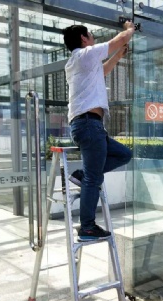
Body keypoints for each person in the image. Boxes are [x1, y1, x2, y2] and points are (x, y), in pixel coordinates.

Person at [62, 21, 135, 241]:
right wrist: (130, 28)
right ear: (84, 39)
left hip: (89, 125)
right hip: (88, 124)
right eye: (91, 35)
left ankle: (82, 175)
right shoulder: (85, 55)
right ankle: (87, 227)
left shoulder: (78, 62)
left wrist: (119, 55)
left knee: (124, 154)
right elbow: (119, 39)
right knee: (94, 179)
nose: (93, 37)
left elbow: (102, 71)